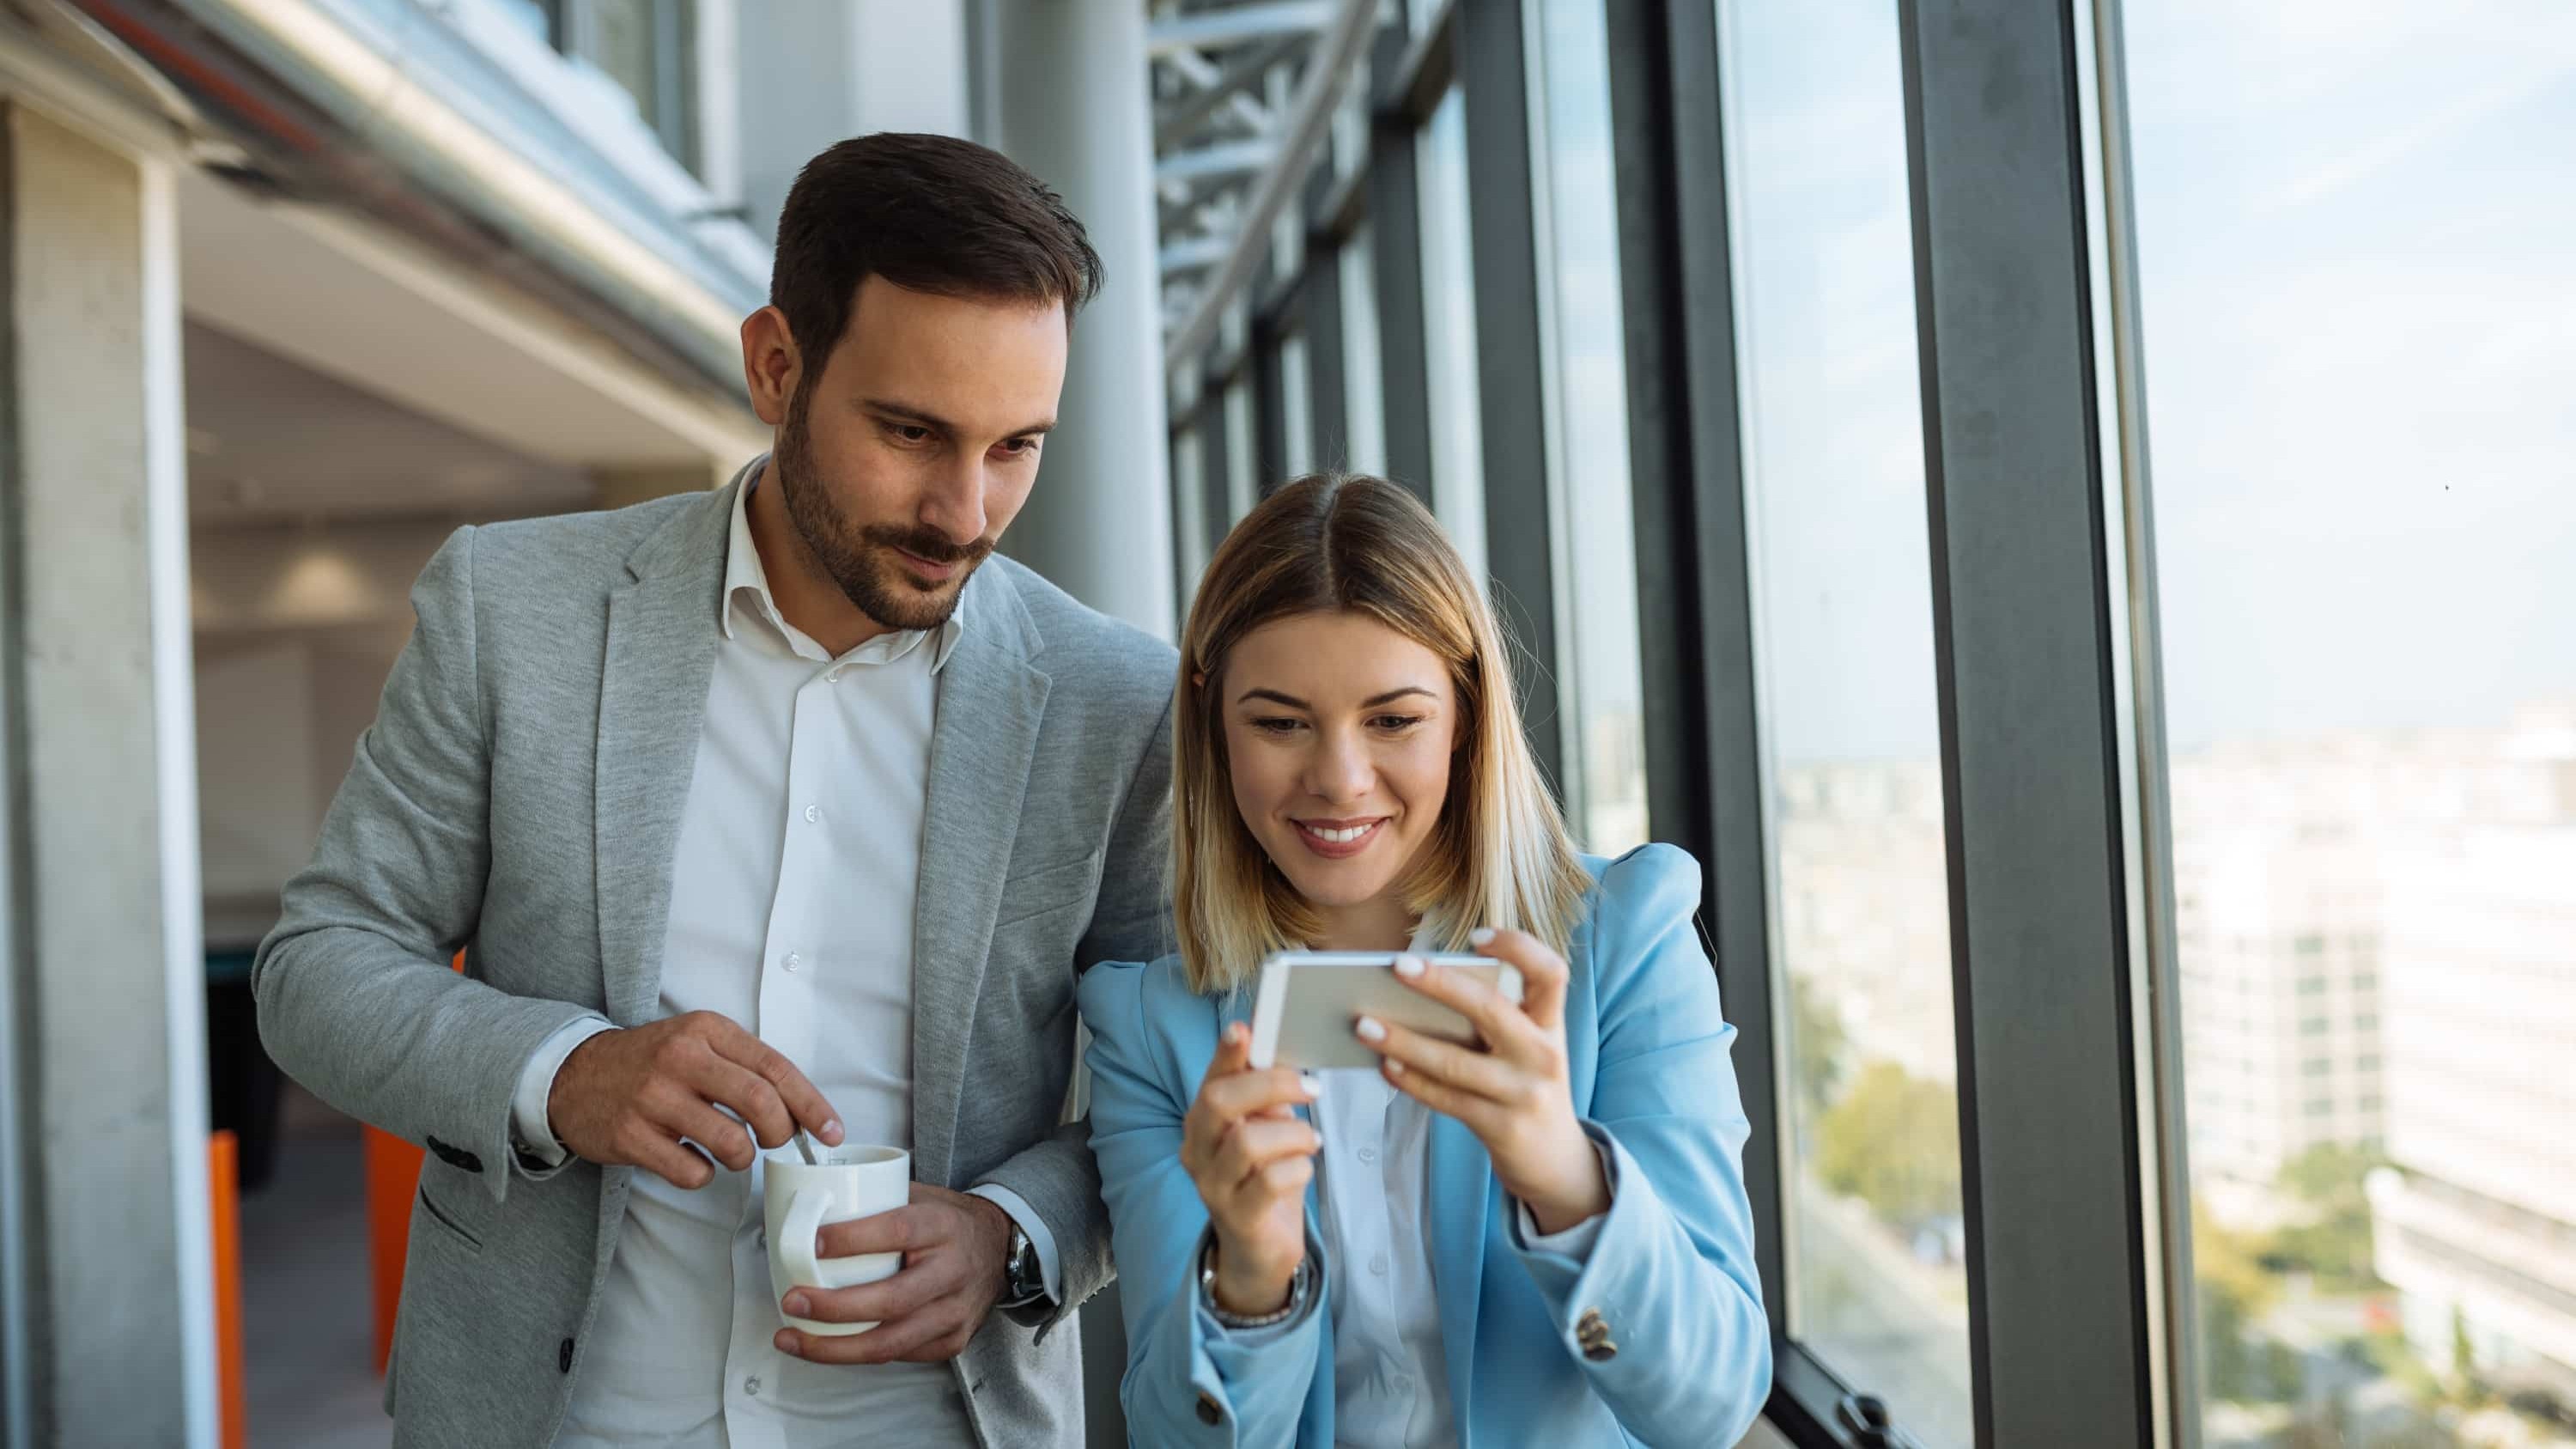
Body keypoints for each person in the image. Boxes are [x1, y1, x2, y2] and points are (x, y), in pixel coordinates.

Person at [253, 133, 1173, 1448]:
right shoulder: (512, 610)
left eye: (1016, 445)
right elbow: (319, 965)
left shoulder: (1118, 701)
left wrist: (1013, 1232)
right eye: (912, 432)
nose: (965, 510)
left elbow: (1169, 1081)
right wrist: (561, 1072)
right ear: (776, 365)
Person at [1079, 474, 1771, 1446]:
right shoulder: (1153, 1024)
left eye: (1394, 721)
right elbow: (1170, 1435)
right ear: (1210, 720)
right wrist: (1251, 1275)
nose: (1339, 780)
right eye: (1278, 722)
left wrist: (1568, 1180)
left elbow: (1712, 1405)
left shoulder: (1622, 942)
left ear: (1466, 714)